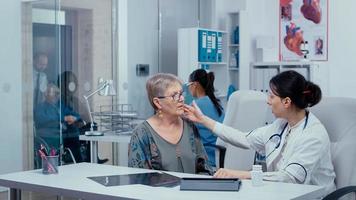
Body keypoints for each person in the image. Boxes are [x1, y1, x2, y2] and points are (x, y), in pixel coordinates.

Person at [183, 70, 335, 194]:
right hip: (283, 192)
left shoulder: (313, 135)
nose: (268, 101)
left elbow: (289, 178)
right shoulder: (281, 125)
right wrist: (203, 120)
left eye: (272, 96)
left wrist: (239, 174)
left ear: (287, 102)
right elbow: (244, 138)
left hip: (312, 196)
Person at [128, 73, 213, 175]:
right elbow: (138, 177)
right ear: (158, 102)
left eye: (181, 94)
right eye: (175, 96)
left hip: (192, 190)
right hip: (158, 191)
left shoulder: (189, 126)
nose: (181, 99)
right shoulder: (142, 133)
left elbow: (204, 168)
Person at [35, 83, 83, 163]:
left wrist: (74, 118)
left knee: (75, 135)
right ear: (46, 94)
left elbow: (74, 114)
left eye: (57, 94)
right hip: (48, 135)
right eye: (54, 93)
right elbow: (43, 119)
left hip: (64, 134)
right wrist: (63, 118)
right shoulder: (41, 107)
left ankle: (80, 163)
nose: (56, 96)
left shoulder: (60, 106)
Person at [187, 69, 225, 167]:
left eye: (189, 85)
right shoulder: (217, 103)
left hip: (206, 157)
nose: (188, 89)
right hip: (218, 155)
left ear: (194, 85)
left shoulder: (195, 105)